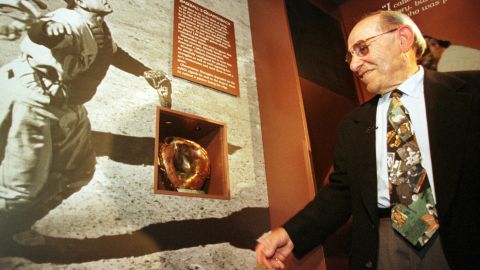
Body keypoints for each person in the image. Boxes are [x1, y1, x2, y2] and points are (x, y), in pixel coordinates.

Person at [256, 10, 480, 270]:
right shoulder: (353, 124)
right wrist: (291, 233)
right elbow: (340, 194)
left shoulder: (470, 93)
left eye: (363, 49)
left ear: (403, 39)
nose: (353, 65)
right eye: (350, 56)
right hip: (383, 245)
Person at [0, 0, 171, 240]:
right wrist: (45, 30)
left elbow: (113, 53)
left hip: (66, 105)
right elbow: (45, 32)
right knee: (21, 190)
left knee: (79, 170)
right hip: (34, 100)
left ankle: (13, 226)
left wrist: (144, 71)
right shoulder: (67, 22)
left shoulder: (98, 26)